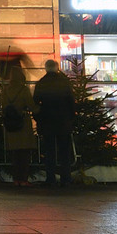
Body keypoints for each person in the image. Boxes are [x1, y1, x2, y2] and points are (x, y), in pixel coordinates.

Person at [33, 59, 76, 187]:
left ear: (46, 68)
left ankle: (50, 178)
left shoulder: (42, 83)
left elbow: (35, 103)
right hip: (63, 121)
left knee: (49, 151)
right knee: (64, 151)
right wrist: (71, 117)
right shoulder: (64, 82)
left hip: (47, 121)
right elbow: (71, 101)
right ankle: (66, 178)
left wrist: (38, 118)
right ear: (57, 68)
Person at [0, 62, 37, 186]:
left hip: (10, 125)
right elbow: (31, 106)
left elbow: (3, 106)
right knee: (24, 153)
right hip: (23, 124)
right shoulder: (23, 90)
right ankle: (23, 179)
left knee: (15, 154)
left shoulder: (5, 90)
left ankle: (16, 179)